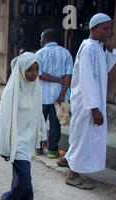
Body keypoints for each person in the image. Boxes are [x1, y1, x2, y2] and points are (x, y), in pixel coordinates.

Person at [60, 13, 116, 190]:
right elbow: (86, 79)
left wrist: (109, 48)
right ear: (93, 29)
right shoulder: (88, 48)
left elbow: (104, 69)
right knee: (84, 137)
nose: (109, 32)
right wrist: (94, 108)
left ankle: (68, 159)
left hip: (92, 100)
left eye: (110, 28)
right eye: (105, 28)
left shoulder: (97, 47)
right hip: (87, 103)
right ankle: (73, 174)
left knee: (80, 135)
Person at [0, 52, 47, 200]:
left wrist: (43, 135)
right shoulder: (12, 90)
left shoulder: (36, 87)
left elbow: (39, 114)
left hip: (28, 140)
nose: (33, 74)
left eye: (36, 69)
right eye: (29, 70)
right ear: (22, 70)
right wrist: (5, 146)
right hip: (17, 140)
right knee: (24, 177)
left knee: (21, 175)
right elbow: (3, 119)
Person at [35, 28, 73, 159]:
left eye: (41, 39)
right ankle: (52, 150)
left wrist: (55, 79)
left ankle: (38, 148)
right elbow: (68, 76)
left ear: (45, 39)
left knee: (39, 122)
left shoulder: (39, 54)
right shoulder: (66, 53)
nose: (40, 41)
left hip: (42, 95)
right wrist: (62, 93)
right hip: (58, 95)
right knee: (55, 124)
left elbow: (38, 74)